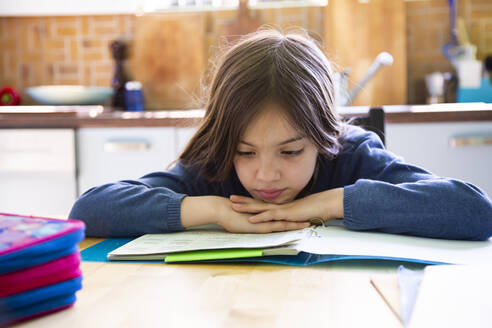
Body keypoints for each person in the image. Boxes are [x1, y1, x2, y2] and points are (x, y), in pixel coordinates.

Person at [69, 29, 492, 240]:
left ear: (324, 136)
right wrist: (213, 210)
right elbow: (88, 211)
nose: (265, 175)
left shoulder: (352, 154)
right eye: (246, 152)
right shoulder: (212, 166)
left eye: (290, 152)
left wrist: (327, 203)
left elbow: (475, 211)